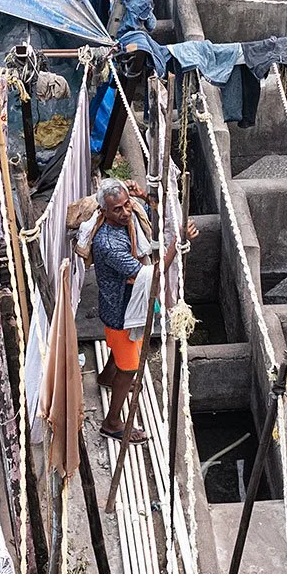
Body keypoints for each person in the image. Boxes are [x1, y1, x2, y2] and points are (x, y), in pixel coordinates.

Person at [87, 178, 197, 442]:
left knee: (118, 349)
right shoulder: (109, 245)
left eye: (127, 205)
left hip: (115, 303)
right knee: (130, 368)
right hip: (121, 311)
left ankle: (105, 377)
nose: (125, 212)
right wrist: (176, 242)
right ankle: (112, 423)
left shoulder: (127, 218)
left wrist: (144, 197)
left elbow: (147, 210)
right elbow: (153, 276)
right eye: (118, 209)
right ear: (104, 211)